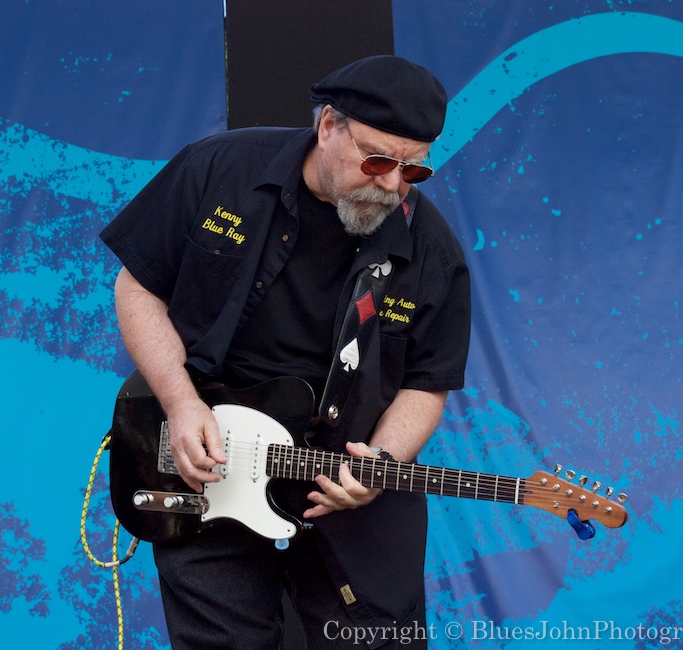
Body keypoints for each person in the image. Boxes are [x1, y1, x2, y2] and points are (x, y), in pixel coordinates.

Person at [100, 55, 471, 649]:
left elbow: (428, 383)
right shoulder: (218, 171)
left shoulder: (431, 251)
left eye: (413, 171)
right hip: (211, 469)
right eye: (376, 159)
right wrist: (181, 403)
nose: (391, 183)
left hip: (347, 492)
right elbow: (137, 285)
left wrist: (379, 463)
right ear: (328, 126)